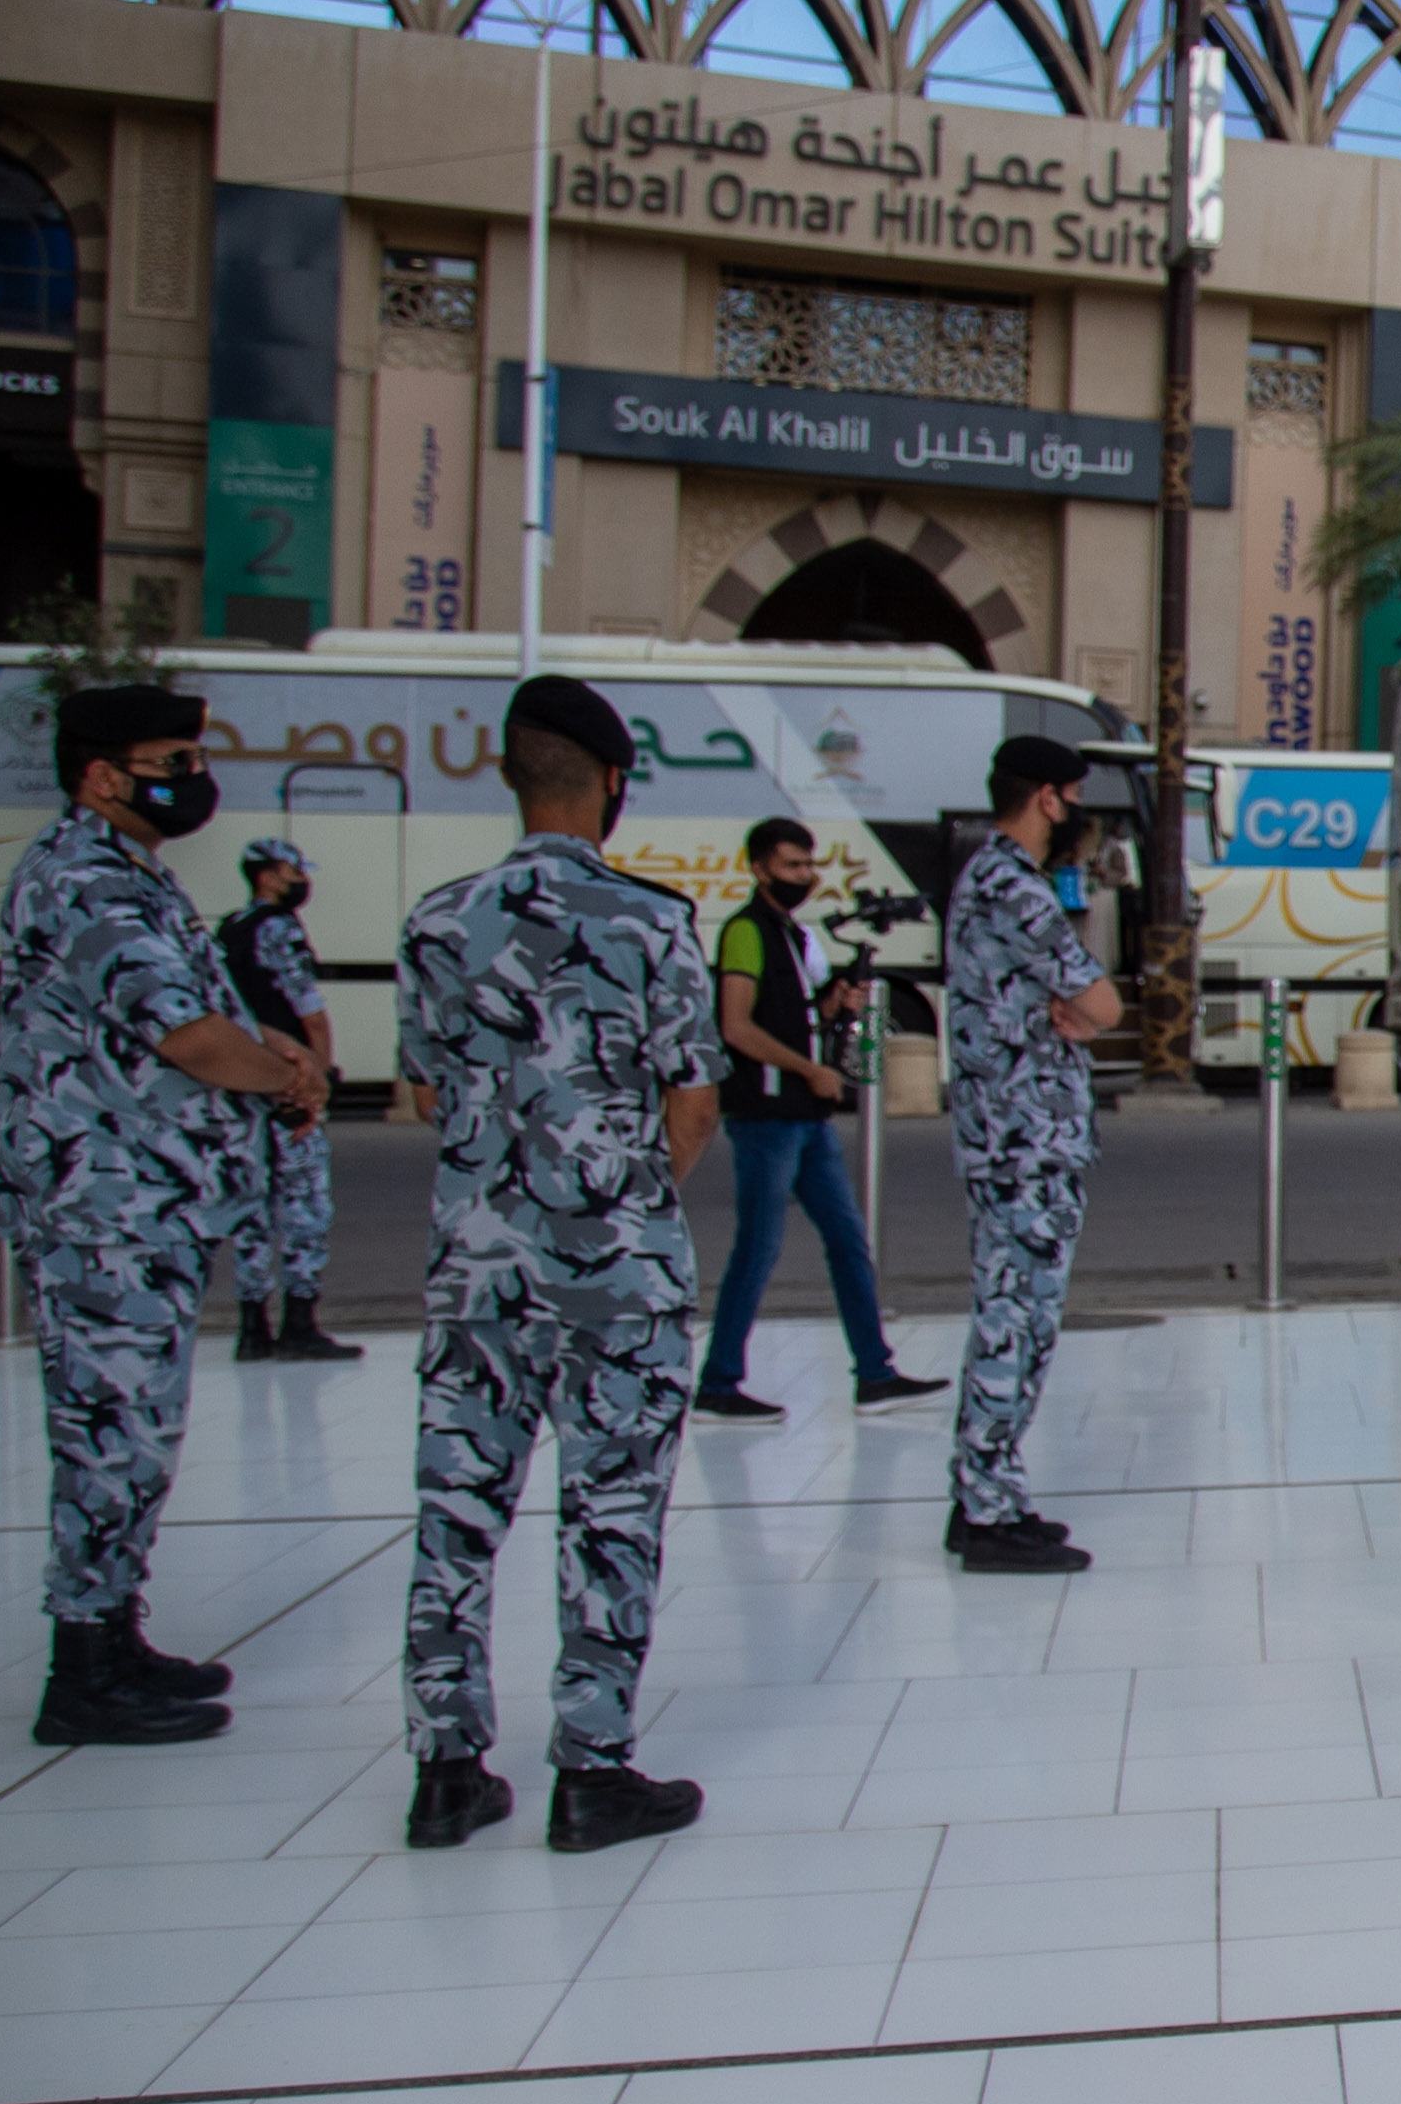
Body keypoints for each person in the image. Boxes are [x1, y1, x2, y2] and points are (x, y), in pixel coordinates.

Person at [392, 675, 724, 1850]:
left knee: (457, 1511)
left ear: (512, 777)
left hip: (477, 1270)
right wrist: (621, 1205)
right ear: (612, 784)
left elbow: (425, 1089)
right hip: (617, 1273)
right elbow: (692, 1101)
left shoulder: (436, 921)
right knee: (612, 1512)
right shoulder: (650, 923)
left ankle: (446, 1768)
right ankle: (592, 1770)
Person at [0, 683, 320, 1746]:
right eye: (170, 761)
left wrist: (274, 1053)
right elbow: (182, 1034)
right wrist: (280, 1074)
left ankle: (113, 1634)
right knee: (111, 1432)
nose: (191, 780)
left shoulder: (127, 871)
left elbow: (203, 1016)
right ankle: (82, 1670)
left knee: (136, 1432)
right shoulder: (82, 879)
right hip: (104, 1207)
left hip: (142, 1202)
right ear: (102, 775)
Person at [694, 818, 944, 1424]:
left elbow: (795, 1011)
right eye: (790, 868)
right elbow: (736, 1026)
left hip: (804, 1118)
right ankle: (719, 1382)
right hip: (768, 1114)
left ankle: (876, 1373)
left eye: (808, 867)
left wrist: (833, 1003)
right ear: (758, 869)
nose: (803, 878)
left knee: (847, 1242)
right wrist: (809, 1070)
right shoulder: (746, 934)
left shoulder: (789, 934)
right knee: (758, 1247)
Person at [943, 736, 1120, 1574]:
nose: (1080, 813)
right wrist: (1084, 1008)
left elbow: (1078, 1002)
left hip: (1012, 1133)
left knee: (1016, 1317)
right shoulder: (1016, 890)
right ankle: (986, 1509)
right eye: (1075, 796)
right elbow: (1104, 1000)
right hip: (1023, 1139)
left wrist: (1074, 1008)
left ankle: (988, 1487)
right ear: (1048, 798)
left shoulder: (987, 881)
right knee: (1016, 1321)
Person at [215, 835, 358, 1364]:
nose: (301, 882)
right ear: (268, 875)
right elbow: (310, 1011)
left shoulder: (230, 927)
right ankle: (299, 1321)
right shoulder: (279, 928)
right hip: (288, 1078)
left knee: (252, 1206)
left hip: (241, 1079)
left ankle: (252, 1326)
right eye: (293, 871)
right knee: (302, 1203)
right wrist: (317, 1077)